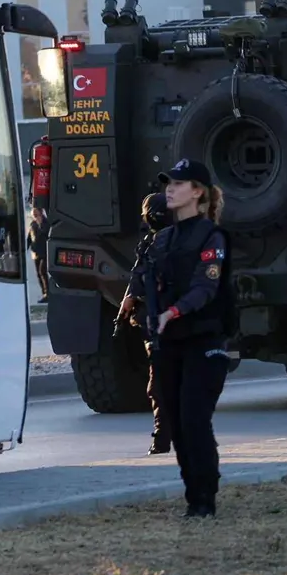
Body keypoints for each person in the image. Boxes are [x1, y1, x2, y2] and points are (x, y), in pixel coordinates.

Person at [129, 158, 235, 518]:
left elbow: (206, 287)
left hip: (204, 340)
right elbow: (146, 281)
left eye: (178, 183)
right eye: (167, 184)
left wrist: (172, 313)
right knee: (175, 422)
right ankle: (193, 495)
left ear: (198, 192)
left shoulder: (213, 237)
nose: (169, 189)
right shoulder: (161, 240)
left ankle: (205, 498)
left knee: (194, 419)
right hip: (169, 342)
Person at [117, 191, 175, 455]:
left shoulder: (155, 247)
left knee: (159, 385)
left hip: (164, 325)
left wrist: (131, 303)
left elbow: (139, 283)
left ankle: (163, 438)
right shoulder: (179, 241)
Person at [28, 197, 51, 304]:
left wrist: (41, 223)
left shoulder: (46, 223)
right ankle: (44, 294)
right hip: (35, 253)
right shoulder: (32, 224)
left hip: (44, 252)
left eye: (36, 214)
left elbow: (46, 234)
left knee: (43, 271)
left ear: (41, 213)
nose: (34, 216)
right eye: (33, 214)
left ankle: (48, 293)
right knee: (38, 273)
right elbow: (29, 237)